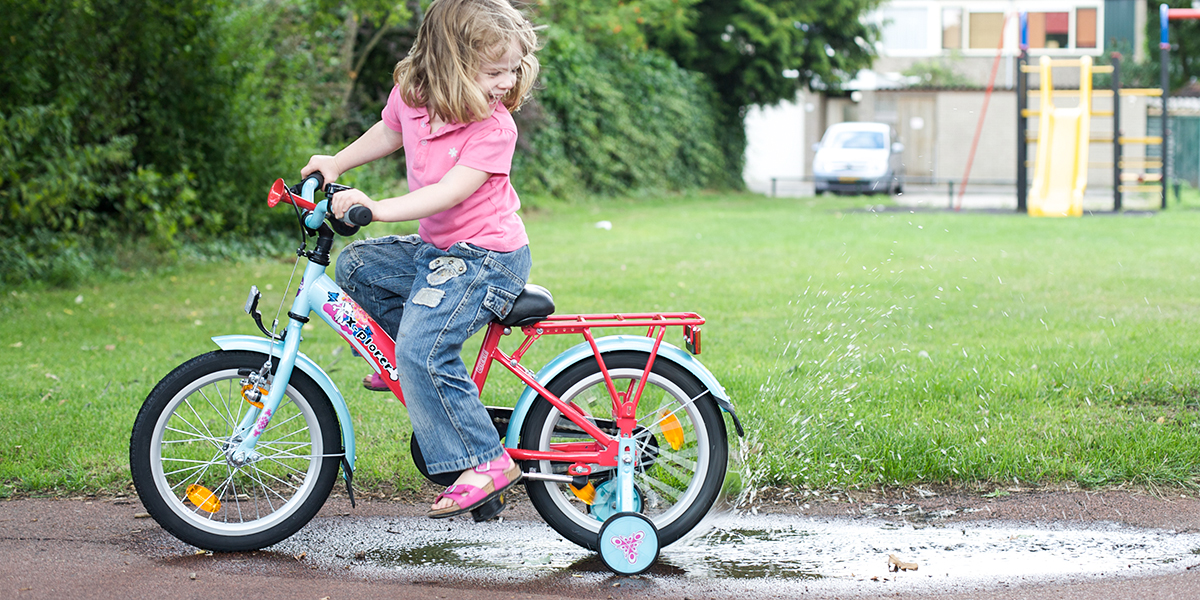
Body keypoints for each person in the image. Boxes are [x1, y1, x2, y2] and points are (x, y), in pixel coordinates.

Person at [300, 0, 539, 519]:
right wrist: (335, 162)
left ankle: (485, 462)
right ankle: (411, 370)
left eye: (512, 69)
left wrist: (378, 208)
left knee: (422, 351)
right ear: (450, 62)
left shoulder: (494, 129)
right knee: (357, 268)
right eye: (494, 71)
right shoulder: (415, 96)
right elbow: (388, 131)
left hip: (486, 257)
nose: (506, 81)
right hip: (442, 253)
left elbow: (449, 193)